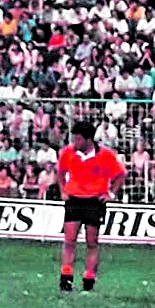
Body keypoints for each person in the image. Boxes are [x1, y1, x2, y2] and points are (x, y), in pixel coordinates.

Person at [56, 120, 125, 292]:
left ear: (88, 140)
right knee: (69, 240)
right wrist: (63, 190)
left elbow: (120, 174)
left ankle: (89, 278)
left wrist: (111, 194)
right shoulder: (68, 153)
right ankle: (66, 277)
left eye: (78, 139)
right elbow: (60, 172)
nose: (75, 143)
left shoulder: (105, 155)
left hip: (94, 201)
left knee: (91, 242)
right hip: (74, 199)